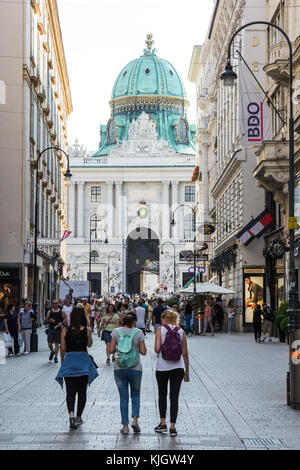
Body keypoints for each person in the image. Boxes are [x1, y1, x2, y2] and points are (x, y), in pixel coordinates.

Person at [55, 306, 98, 429]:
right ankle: (79, 417)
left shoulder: (65, 331)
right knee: (82, 392)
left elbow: (63, 349)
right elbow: (89, 344)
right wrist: (88, 332)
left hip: (69, 362)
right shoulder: (87, 330)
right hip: (83, 362)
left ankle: (71, 414)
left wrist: (63, 360)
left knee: (70, 392)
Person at [110, 312, 147, 434]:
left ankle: (125, 426)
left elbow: (110, 350)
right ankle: (135, 420)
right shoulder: (138, 332)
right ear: (133, 322)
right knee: (136, 395)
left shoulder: (116, 332)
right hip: (135, 368)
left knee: (123, 397)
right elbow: (143, 351)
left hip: (119, 368)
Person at [154, 310, 189, 437]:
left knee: (162, 395)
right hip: (178, 368)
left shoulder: (160, 330)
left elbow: (157, 349)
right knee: (174, 397)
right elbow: (185, 352)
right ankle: (173, 427)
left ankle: (162, 423)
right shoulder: (181, 331)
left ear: (165, 319)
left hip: (162, 368)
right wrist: (187, 370)